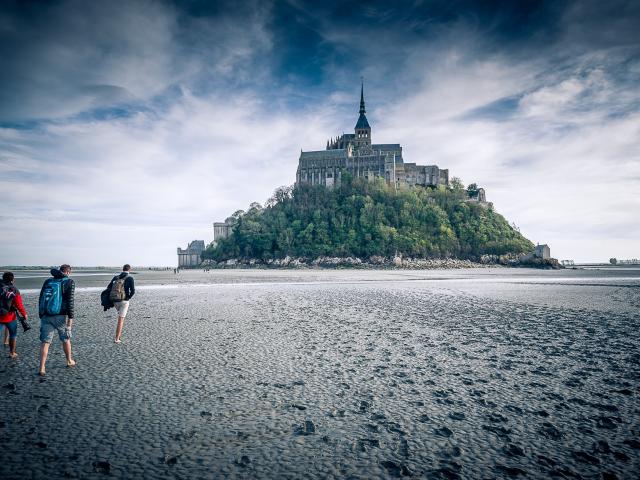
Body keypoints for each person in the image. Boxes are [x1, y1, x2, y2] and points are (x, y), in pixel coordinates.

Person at [38, 264, 76, 376]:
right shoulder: (69, 282)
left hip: (46, 315)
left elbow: (41, 298)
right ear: (68, 272)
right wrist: (70, 320)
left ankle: (42, 368)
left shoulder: (48, 281)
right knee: (66, 339)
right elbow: (70, 302)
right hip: (60, 317)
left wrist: (41, 314)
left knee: (45, 342)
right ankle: (69, 360)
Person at [0, 272, 28, 358]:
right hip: (10, 316)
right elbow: (19, 305)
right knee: (13, 334)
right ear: (12, 280)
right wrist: (24, 314)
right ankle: (12, 353)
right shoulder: (14, 290)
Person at [108, 264, 135, 343]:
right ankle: (117, 339)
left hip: (115, 300)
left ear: (123, 269)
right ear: (129, 270)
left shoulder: (116, 277)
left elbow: (109, 287)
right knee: (121, 319)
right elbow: (133, 291)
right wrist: (128, 298)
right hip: (123, 301)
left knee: (120, 315)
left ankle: (118, 336)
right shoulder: (130, 278)